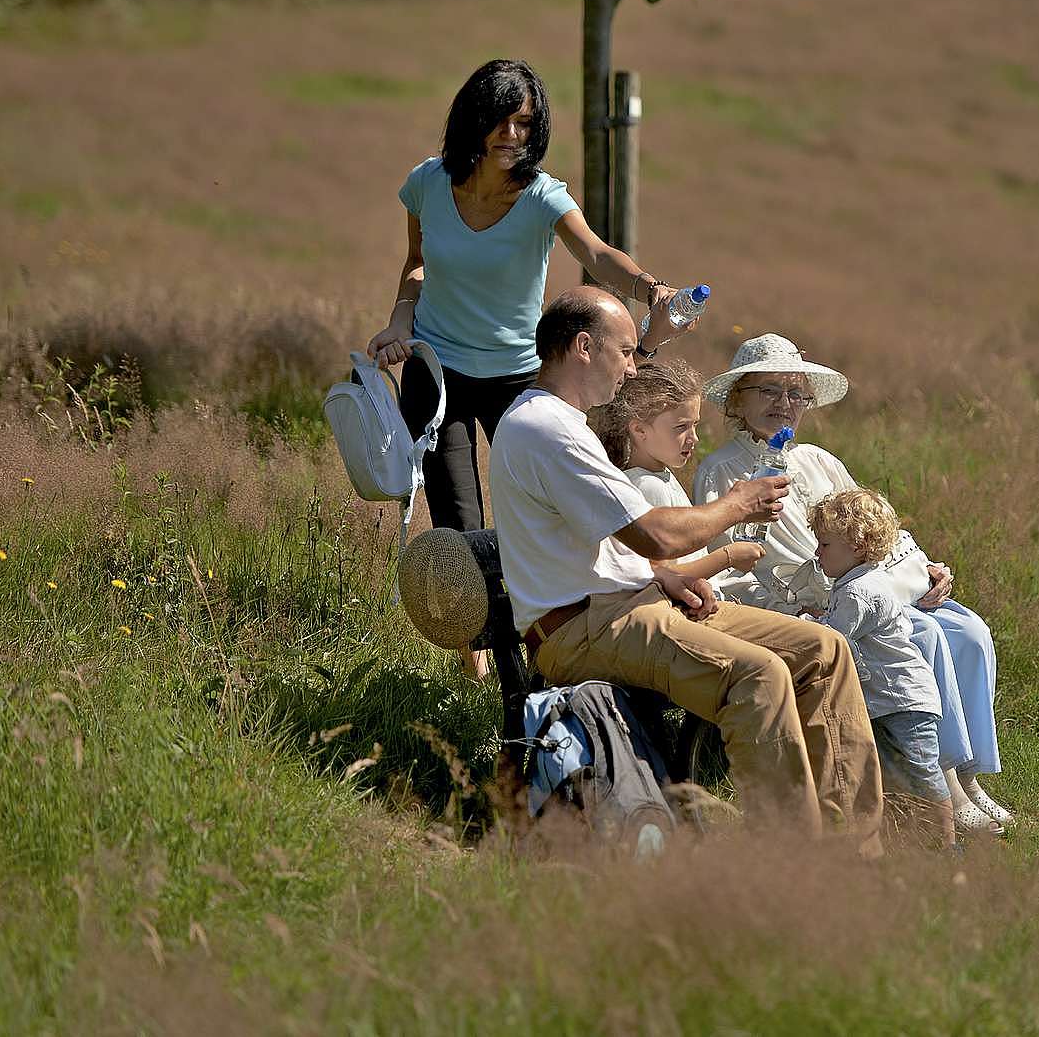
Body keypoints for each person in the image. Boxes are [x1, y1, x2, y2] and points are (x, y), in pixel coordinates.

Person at [488, 288, 883, 853]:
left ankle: (854, 854)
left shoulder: (561, 423)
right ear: (582, 348)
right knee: (759, 676)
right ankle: (793, 865)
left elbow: (610, 539)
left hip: (624, 608)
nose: (631, 364)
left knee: (824, 652)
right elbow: (655, 531)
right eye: (625, 351)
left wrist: (662, 574)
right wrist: (738, 504)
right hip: (580, 628)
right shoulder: (545, 428)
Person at [364, 58, 688, 678]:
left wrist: (651, 289)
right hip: (439, 372)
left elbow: (595, 253)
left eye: (526, 124)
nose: (514, 136)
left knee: (545, 515)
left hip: (518, 376)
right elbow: (415, 263)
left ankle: (555, 646)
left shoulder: (543, 197)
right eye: (502, 122)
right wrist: (400, 322)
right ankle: (479, 661)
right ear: (474, 122)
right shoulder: (427, 184)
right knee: (457, 527)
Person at [693, 333, 1014, 836]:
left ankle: (972, 778)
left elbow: (870, 524)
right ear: (738, 399)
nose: (785, 405)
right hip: (815, 605)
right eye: (769, 391)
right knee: (923, 636)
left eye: (795, 393)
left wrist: (925, 568)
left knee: (969, 631)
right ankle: (941, 784)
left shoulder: (819, 460)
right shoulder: (721, 471)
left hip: (870, 588)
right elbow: (728, 568)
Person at [805, 488, 955, 846]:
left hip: (902, 700)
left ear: (856, 546)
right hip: (892, 699)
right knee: (893, 771)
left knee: (922, 772)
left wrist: (803, 624)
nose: (817, 552)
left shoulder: (858, 592)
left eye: (825, 545)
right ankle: (914, 836)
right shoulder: (864, 580)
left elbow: (833, 639)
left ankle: (947, 842)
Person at [592, 358, 766, 585]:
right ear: (639, 430)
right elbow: (661, 576)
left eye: (694, 425)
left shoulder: (660, 476)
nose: (694, 437)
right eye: (681, 427)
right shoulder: (647, 486)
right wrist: (729, 557)